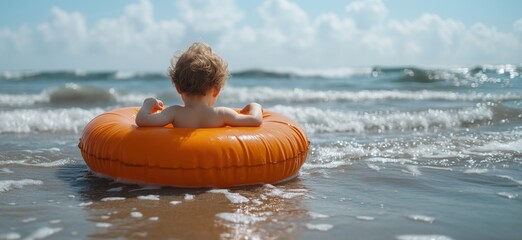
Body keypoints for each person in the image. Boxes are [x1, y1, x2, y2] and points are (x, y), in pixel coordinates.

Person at [135, 42, 263, 128]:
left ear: (178, 88)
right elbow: (255, 120)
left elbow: (142, 120)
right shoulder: (222, 114)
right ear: (216, 91)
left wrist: (148, 104)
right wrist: (255, 107)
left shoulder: (174, 113)